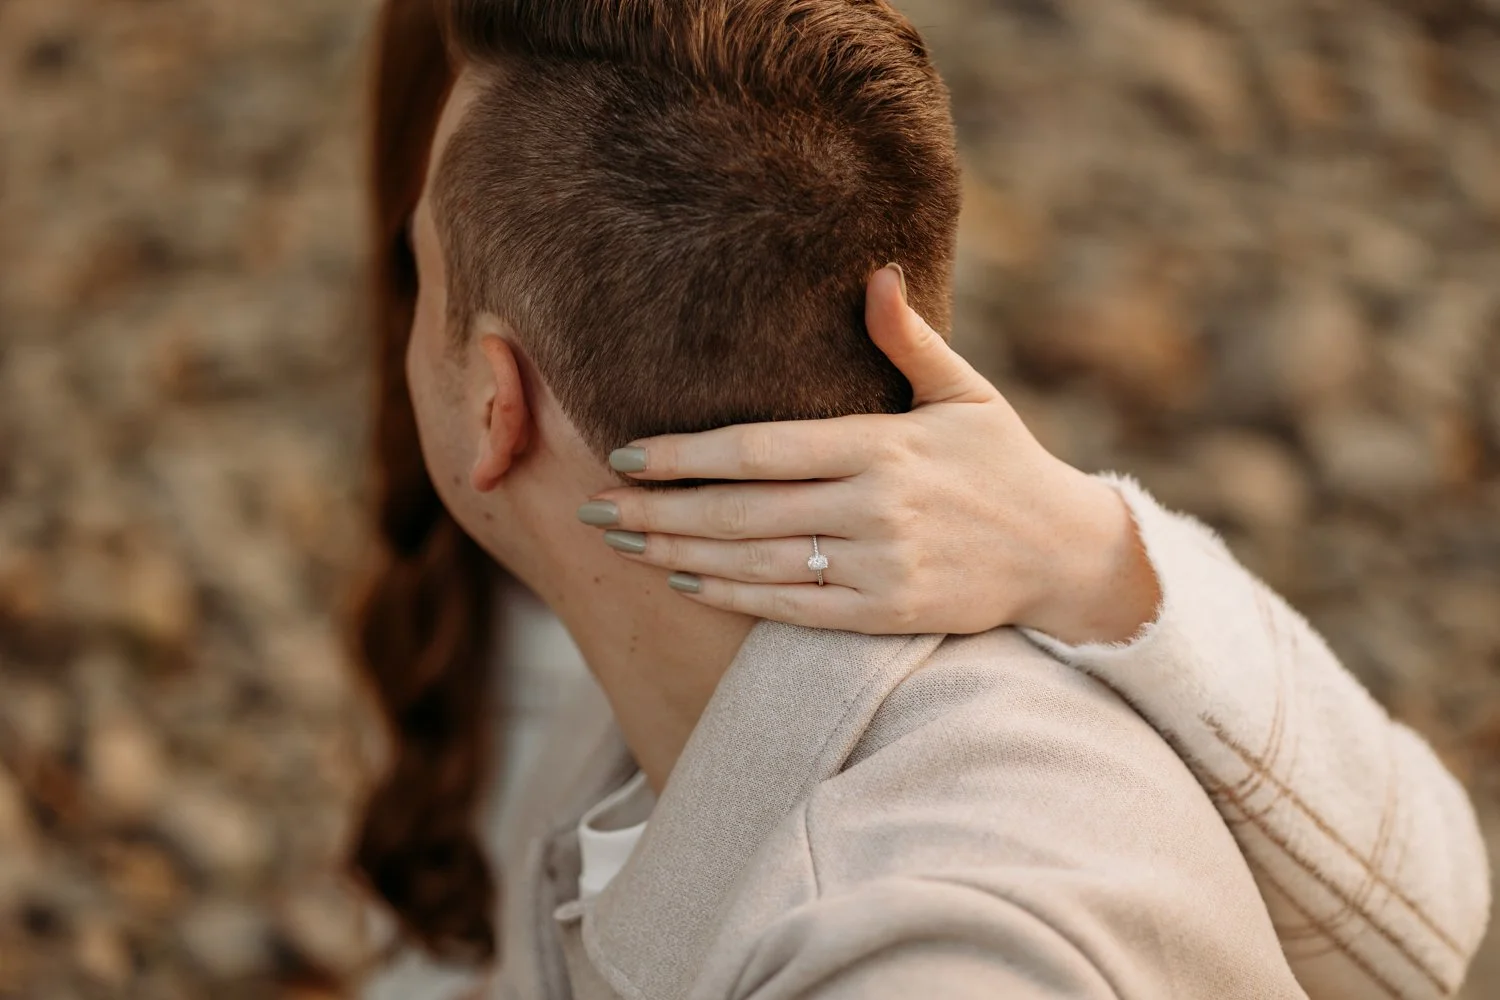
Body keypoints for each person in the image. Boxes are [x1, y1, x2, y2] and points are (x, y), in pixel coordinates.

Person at [354, 1, 1490, 998]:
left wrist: (1101, 555)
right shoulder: (640, 709)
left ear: (498, 404)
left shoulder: (936, 950)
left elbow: (1428, 922)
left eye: (422, 275)